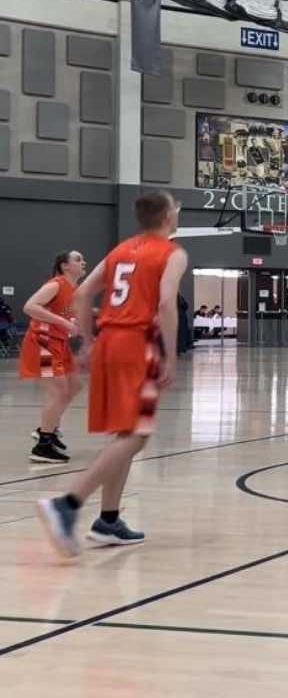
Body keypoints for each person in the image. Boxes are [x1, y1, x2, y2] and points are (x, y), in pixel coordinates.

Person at [37, 190, 188, 556]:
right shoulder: (172, 252)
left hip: (109, 344)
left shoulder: (123, 249)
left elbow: (83, 293)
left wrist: (89, 341)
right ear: (168, 216)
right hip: (137, 345)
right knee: (136, 436)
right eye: (177, 209)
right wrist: (170, 354)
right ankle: (67, 505)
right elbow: (167, 303)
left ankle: (108, 520)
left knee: (125, 433)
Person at [20, 250, 88, 465]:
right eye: (78, 259)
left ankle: (46, 428)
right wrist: (62, 322)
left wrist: (76, 326)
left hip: (58, 344)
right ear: (64, 266)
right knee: (59, 391)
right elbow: (30, 306)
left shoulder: (74, 289)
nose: (83, 262)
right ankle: (43, 446)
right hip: (42, 342)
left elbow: (65, 316)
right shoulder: (56, 284)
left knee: (75, 386)